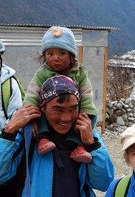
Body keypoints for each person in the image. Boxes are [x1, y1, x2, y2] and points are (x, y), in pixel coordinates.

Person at [0, 75, 115, 197]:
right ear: (43, 107)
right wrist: (8, 131)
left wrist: (91, 144)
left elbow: (103, 183)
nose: (66, 118)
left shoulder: (84, 133)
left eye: (73, 109)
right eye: (57, 109)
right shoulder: (28, 133)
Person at [23, 26, 97, 163]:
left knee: (90, 117)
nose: (56, 58)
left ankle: (80, 146)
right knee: (39, 113)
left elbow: (86, 93)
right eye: (50, 54)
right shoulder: (42, 73)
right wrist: (29, 110)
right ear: (44, 56)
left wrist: (85, 112)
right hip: (49, 114)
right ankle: (43, 139)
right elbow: (31, 94)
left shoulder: (80, 72)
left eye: (62, 53)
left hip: (75, 111)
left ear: (71, 55)